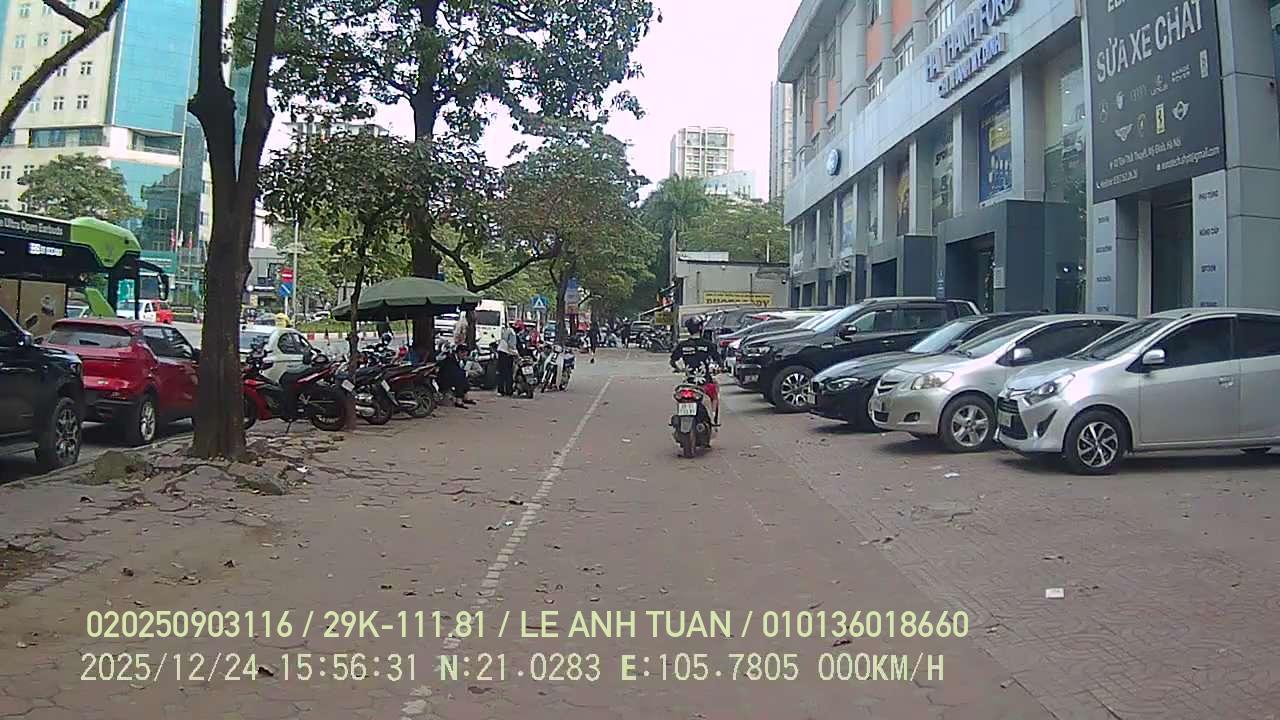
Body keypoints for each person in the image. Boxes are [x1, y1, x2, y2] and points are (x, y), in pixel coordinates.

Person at [669, 315, 723, 423]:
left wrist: (679, 369)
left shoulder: (682, 345)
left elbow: (673, 361)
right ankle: (713, 418)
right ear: (700, 328)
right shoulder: (708, 345)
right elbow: (719, 361)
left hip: (688, 384)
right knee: (715, 391)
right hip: (705, 384)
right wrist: (719, 368)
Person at [438, 343, 476, 408]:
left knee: (463, 376)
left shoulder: (457, 359)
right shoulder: (450, 358)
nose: (464, 356)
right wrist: (465, 373)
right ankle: (459, 401)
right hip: (443, 379)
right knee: (460, 378)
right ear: (459, 352)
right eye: (464, 354)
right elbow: (451, 371)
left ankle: (465, 397)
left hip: (450, 376)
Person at [496, 320, 519, 396]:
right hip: (507, 354)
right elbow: (511, 345)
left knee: (501, 373)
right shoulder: (512, 333)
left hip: (501, 352)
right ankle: (509, 391)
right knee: (508, 373)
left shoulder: (507, 330)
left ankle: (501, 390)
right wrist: (517, 354)